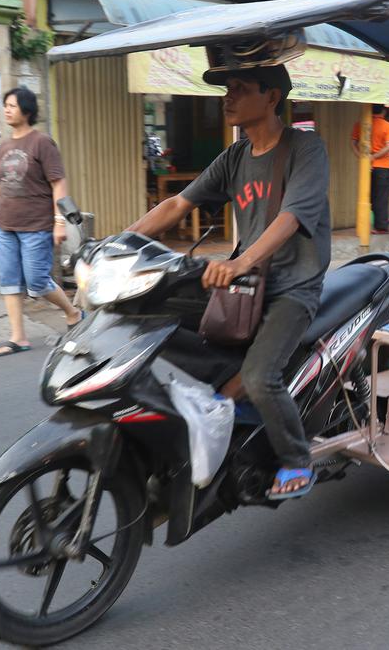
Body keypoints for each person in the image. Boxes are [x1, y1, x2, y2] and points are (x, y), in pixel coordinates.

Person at [128, 64, 331, 501]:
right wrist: (119, 244)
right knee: (151, 312)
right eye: (228, 89)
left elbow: (291, 217)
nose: (228, 97)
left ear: (272, 97)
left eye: (240, 89)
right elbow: (177, 204)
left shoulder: (305, 148)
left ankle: (296, 460)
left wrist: (243, 262)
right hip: (246, 285)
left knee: (260, 377)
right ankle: (217, 408)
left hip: (292, 287)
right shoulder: (235, 157)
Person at [0, 87, 82, 357]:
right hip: (6, 226)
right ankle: (18, 338)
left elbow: (58, 182)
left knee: (37, 282)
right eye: (5, 105)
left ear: (27, 110)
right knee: (10, 281)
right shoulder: (4, 145)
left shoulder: (41, 142)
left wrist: (59, 221)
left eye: (12, 105)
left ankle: (73, 312)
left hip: (35, 225)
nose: (6, 109)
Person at [351, 104, 389, 233]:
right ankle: (380, 227)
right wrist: (374, 157)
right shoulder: (387, 126)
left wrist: (362, 157)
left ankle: (367, 226)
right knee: (381, 197)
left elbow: (353, 143)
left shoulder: (360, 124)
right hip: (383, 167)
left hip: (366, 168)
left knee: (369, 196)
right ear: (384, 111)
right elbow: (388, 146)